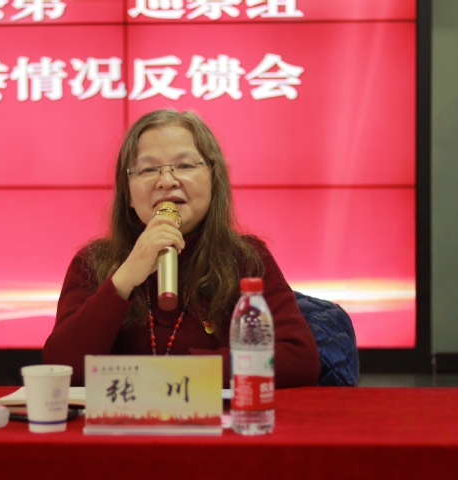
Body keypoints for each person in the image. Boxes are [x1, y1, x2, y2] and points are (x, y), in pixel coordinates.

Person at [43, 109, 320, 388]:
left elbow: (299, 359)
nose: (166, 181)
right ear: (128, 194)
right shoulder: (93, 262)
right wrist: (124, 278)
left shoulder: (246, 259)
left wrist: (180, 374)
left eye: (185, 165)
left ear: (214, 180)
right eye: (148, 169)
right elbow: (61, 369)